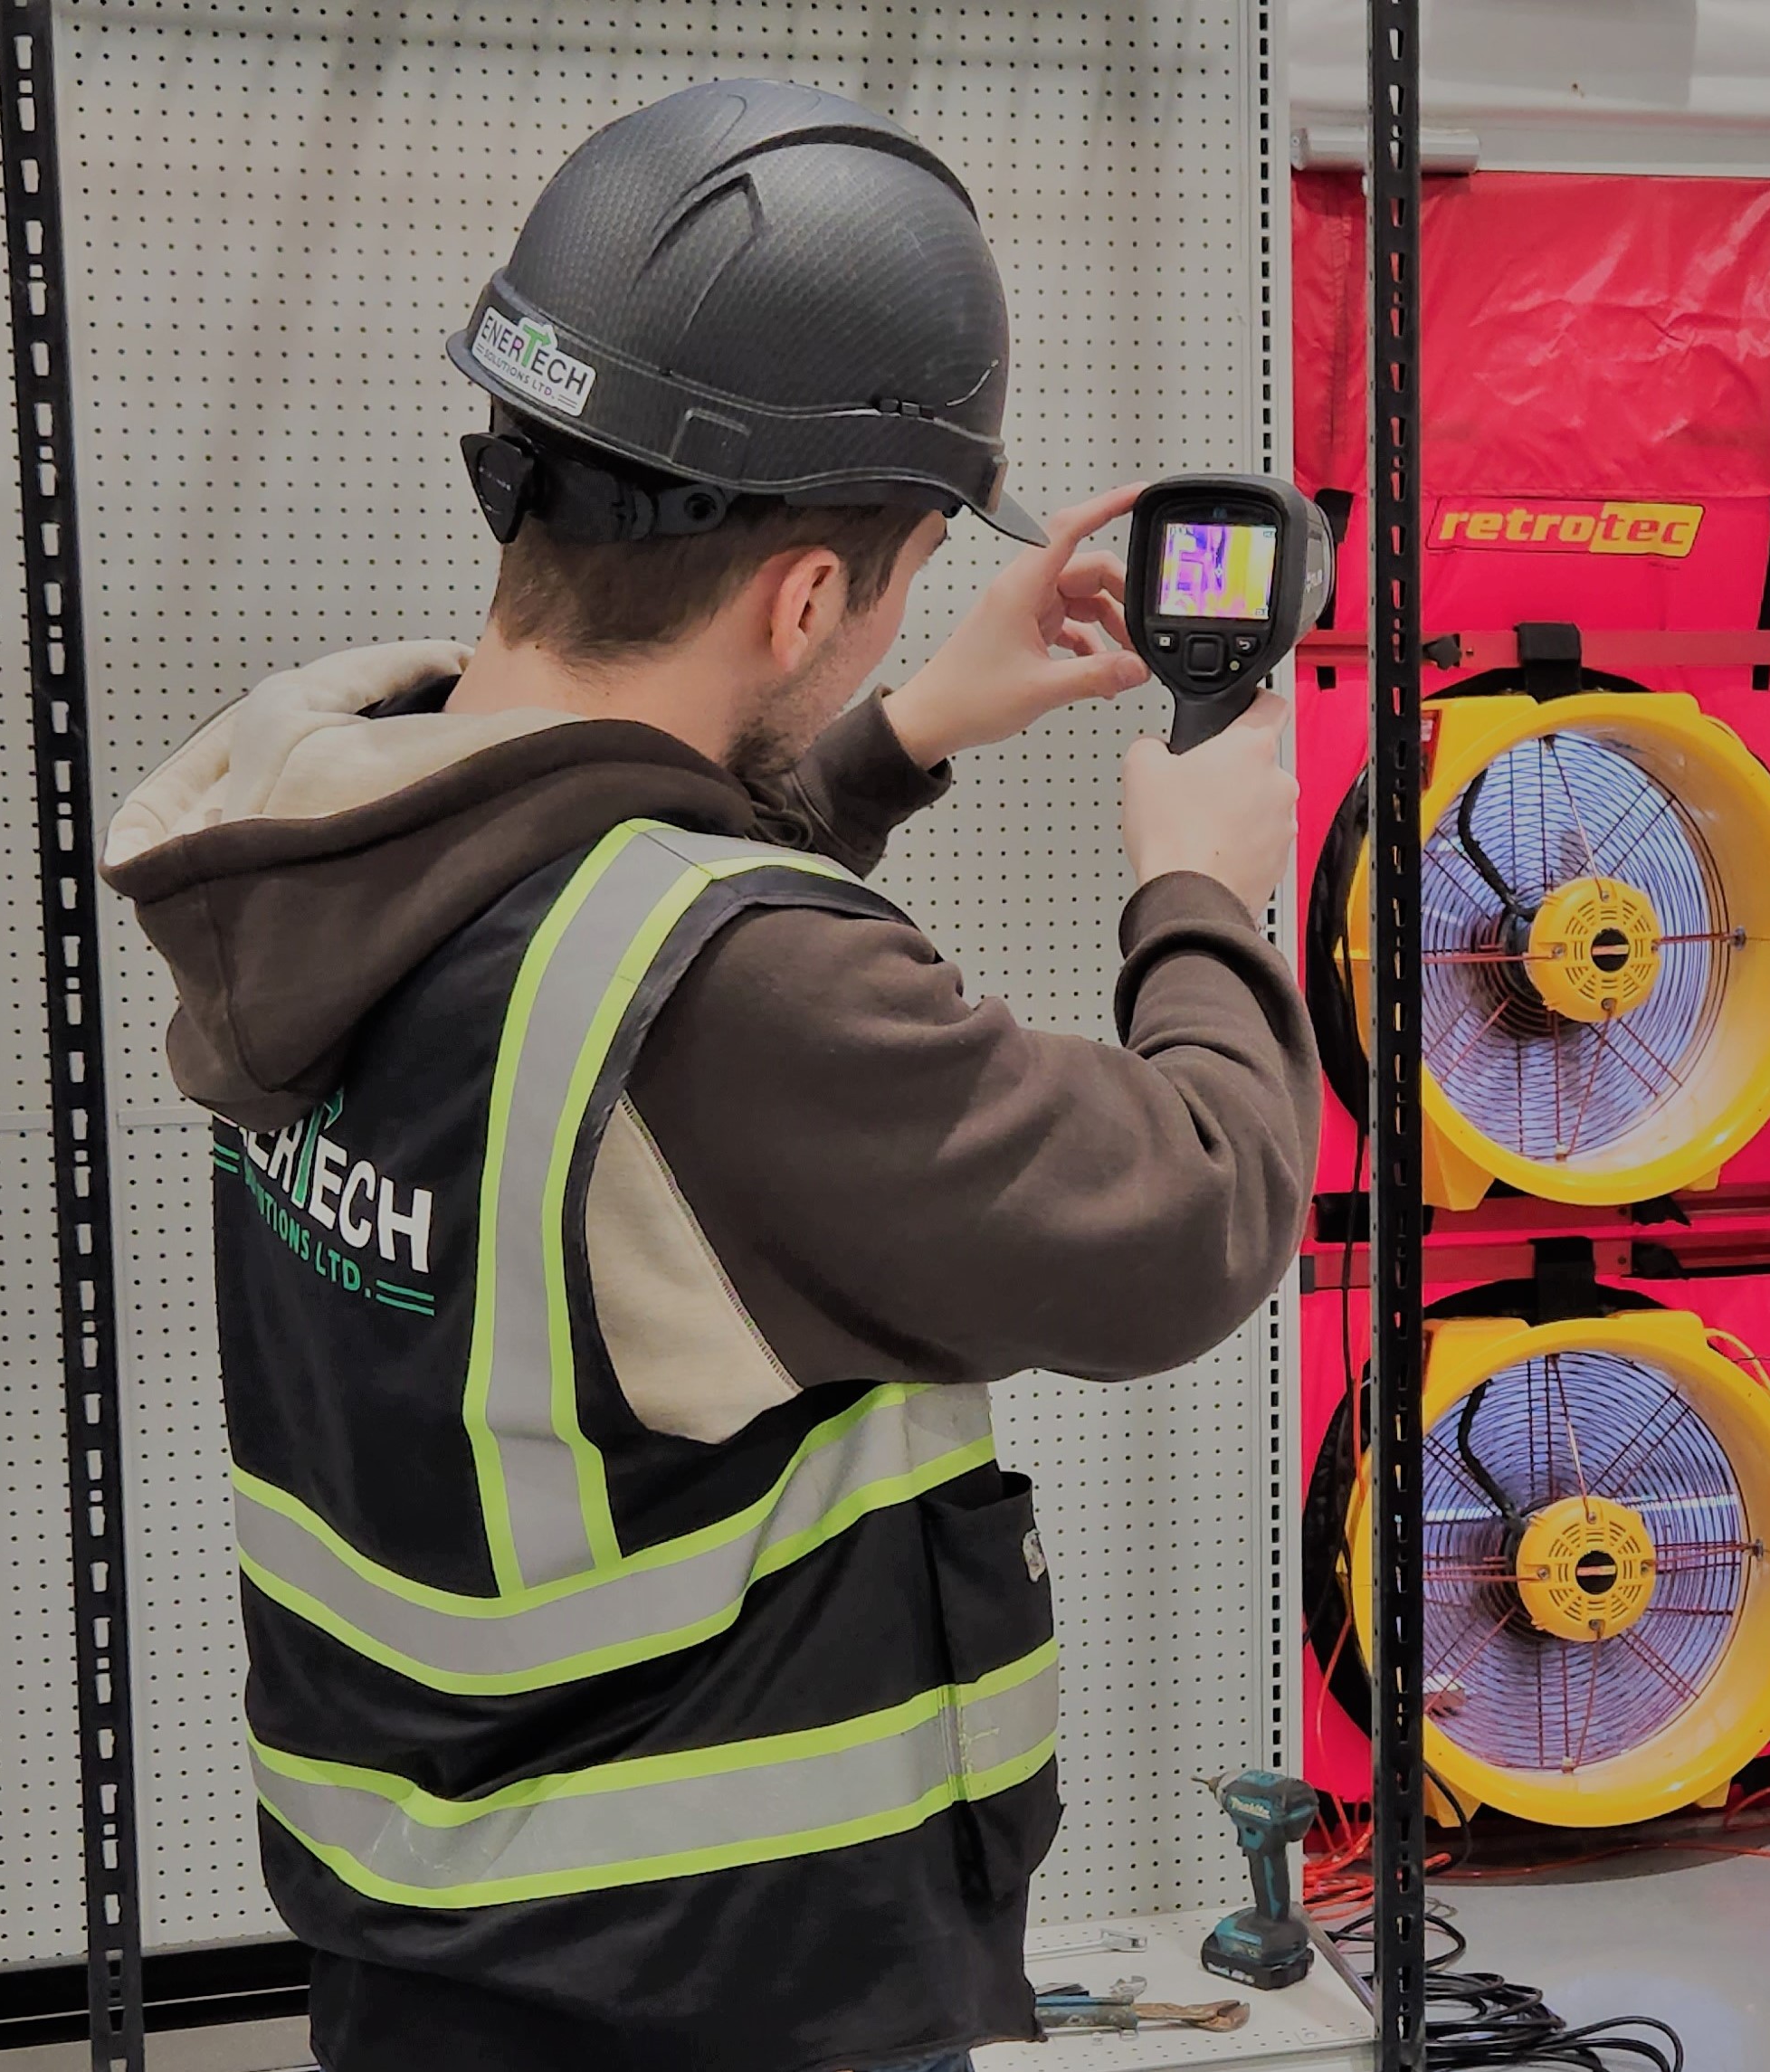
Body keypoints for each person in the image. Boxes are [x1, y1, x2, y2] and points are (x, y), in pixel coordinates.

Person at [100, 79, 1316, 2072]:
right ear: (808, 593)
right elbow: (1184, 1216)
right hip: (718, 1985)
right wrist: (1203, 890)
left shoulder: (344, 841)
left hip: (428, 1949)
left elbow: (609, 947)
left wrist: (902, 730)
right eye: (902, 573)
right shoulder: (744, 989)